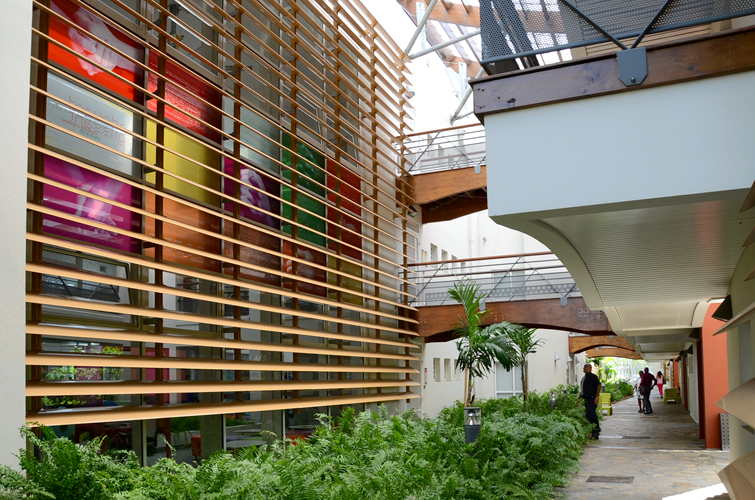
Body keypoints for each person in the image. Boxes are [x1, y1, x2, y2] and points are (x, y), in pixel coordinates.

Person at [578, 364, 602, 439]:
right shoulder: (584, 378)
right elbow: (582, 390)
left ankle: (596, 431)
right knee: (589, 414)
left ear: (589, 368)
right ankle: (595, 431)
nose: (583, 368)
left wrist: (596, 397)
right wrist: (579, 398)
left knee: (590, 414)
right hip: (587, 399)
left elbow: (598, 385)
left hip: (592, 399)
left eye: (585, 367)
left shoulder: (593, 377)